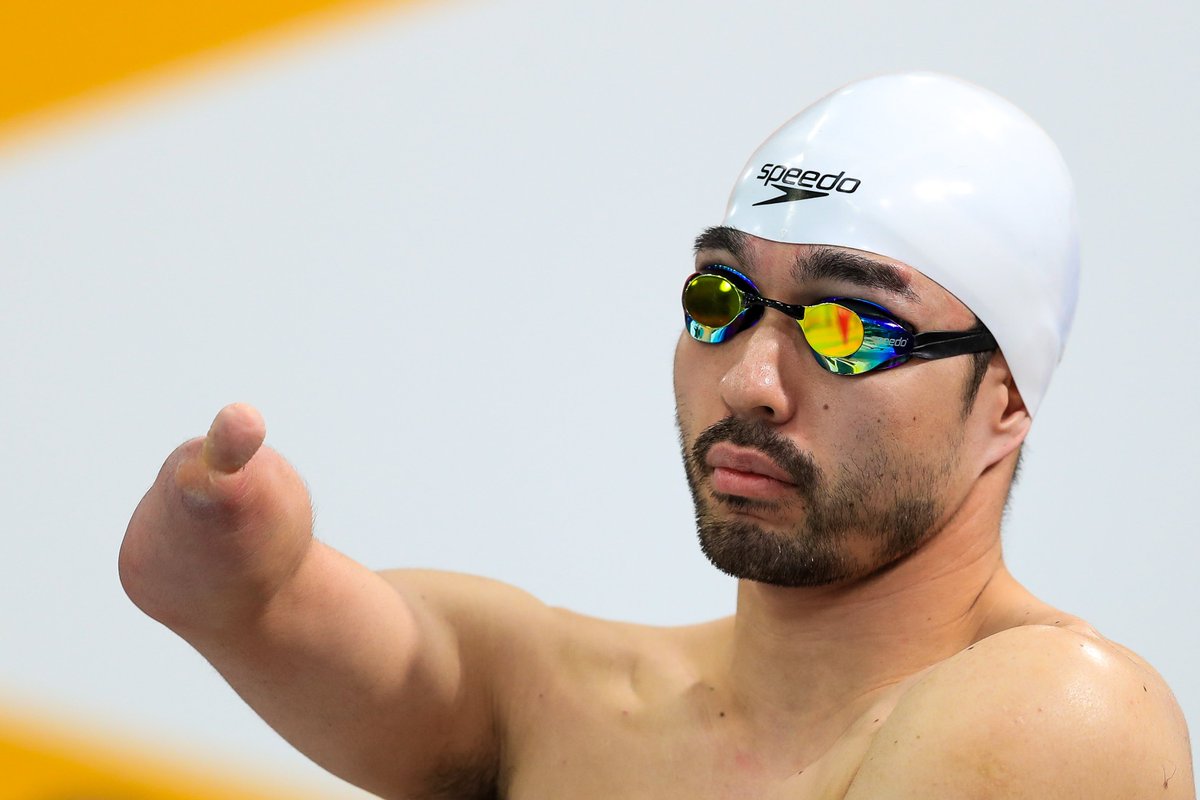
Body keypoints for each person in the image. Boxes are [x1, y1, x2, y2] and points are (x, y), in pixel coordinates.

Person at [119, 73, 1194, 799]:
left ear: (1004, 397)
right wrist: (237, 576)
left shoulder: (1067, 713)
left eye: (848, 326)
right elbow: (392, 643)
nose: (750, 378)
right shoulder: (566, 700)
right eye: (721, 297)